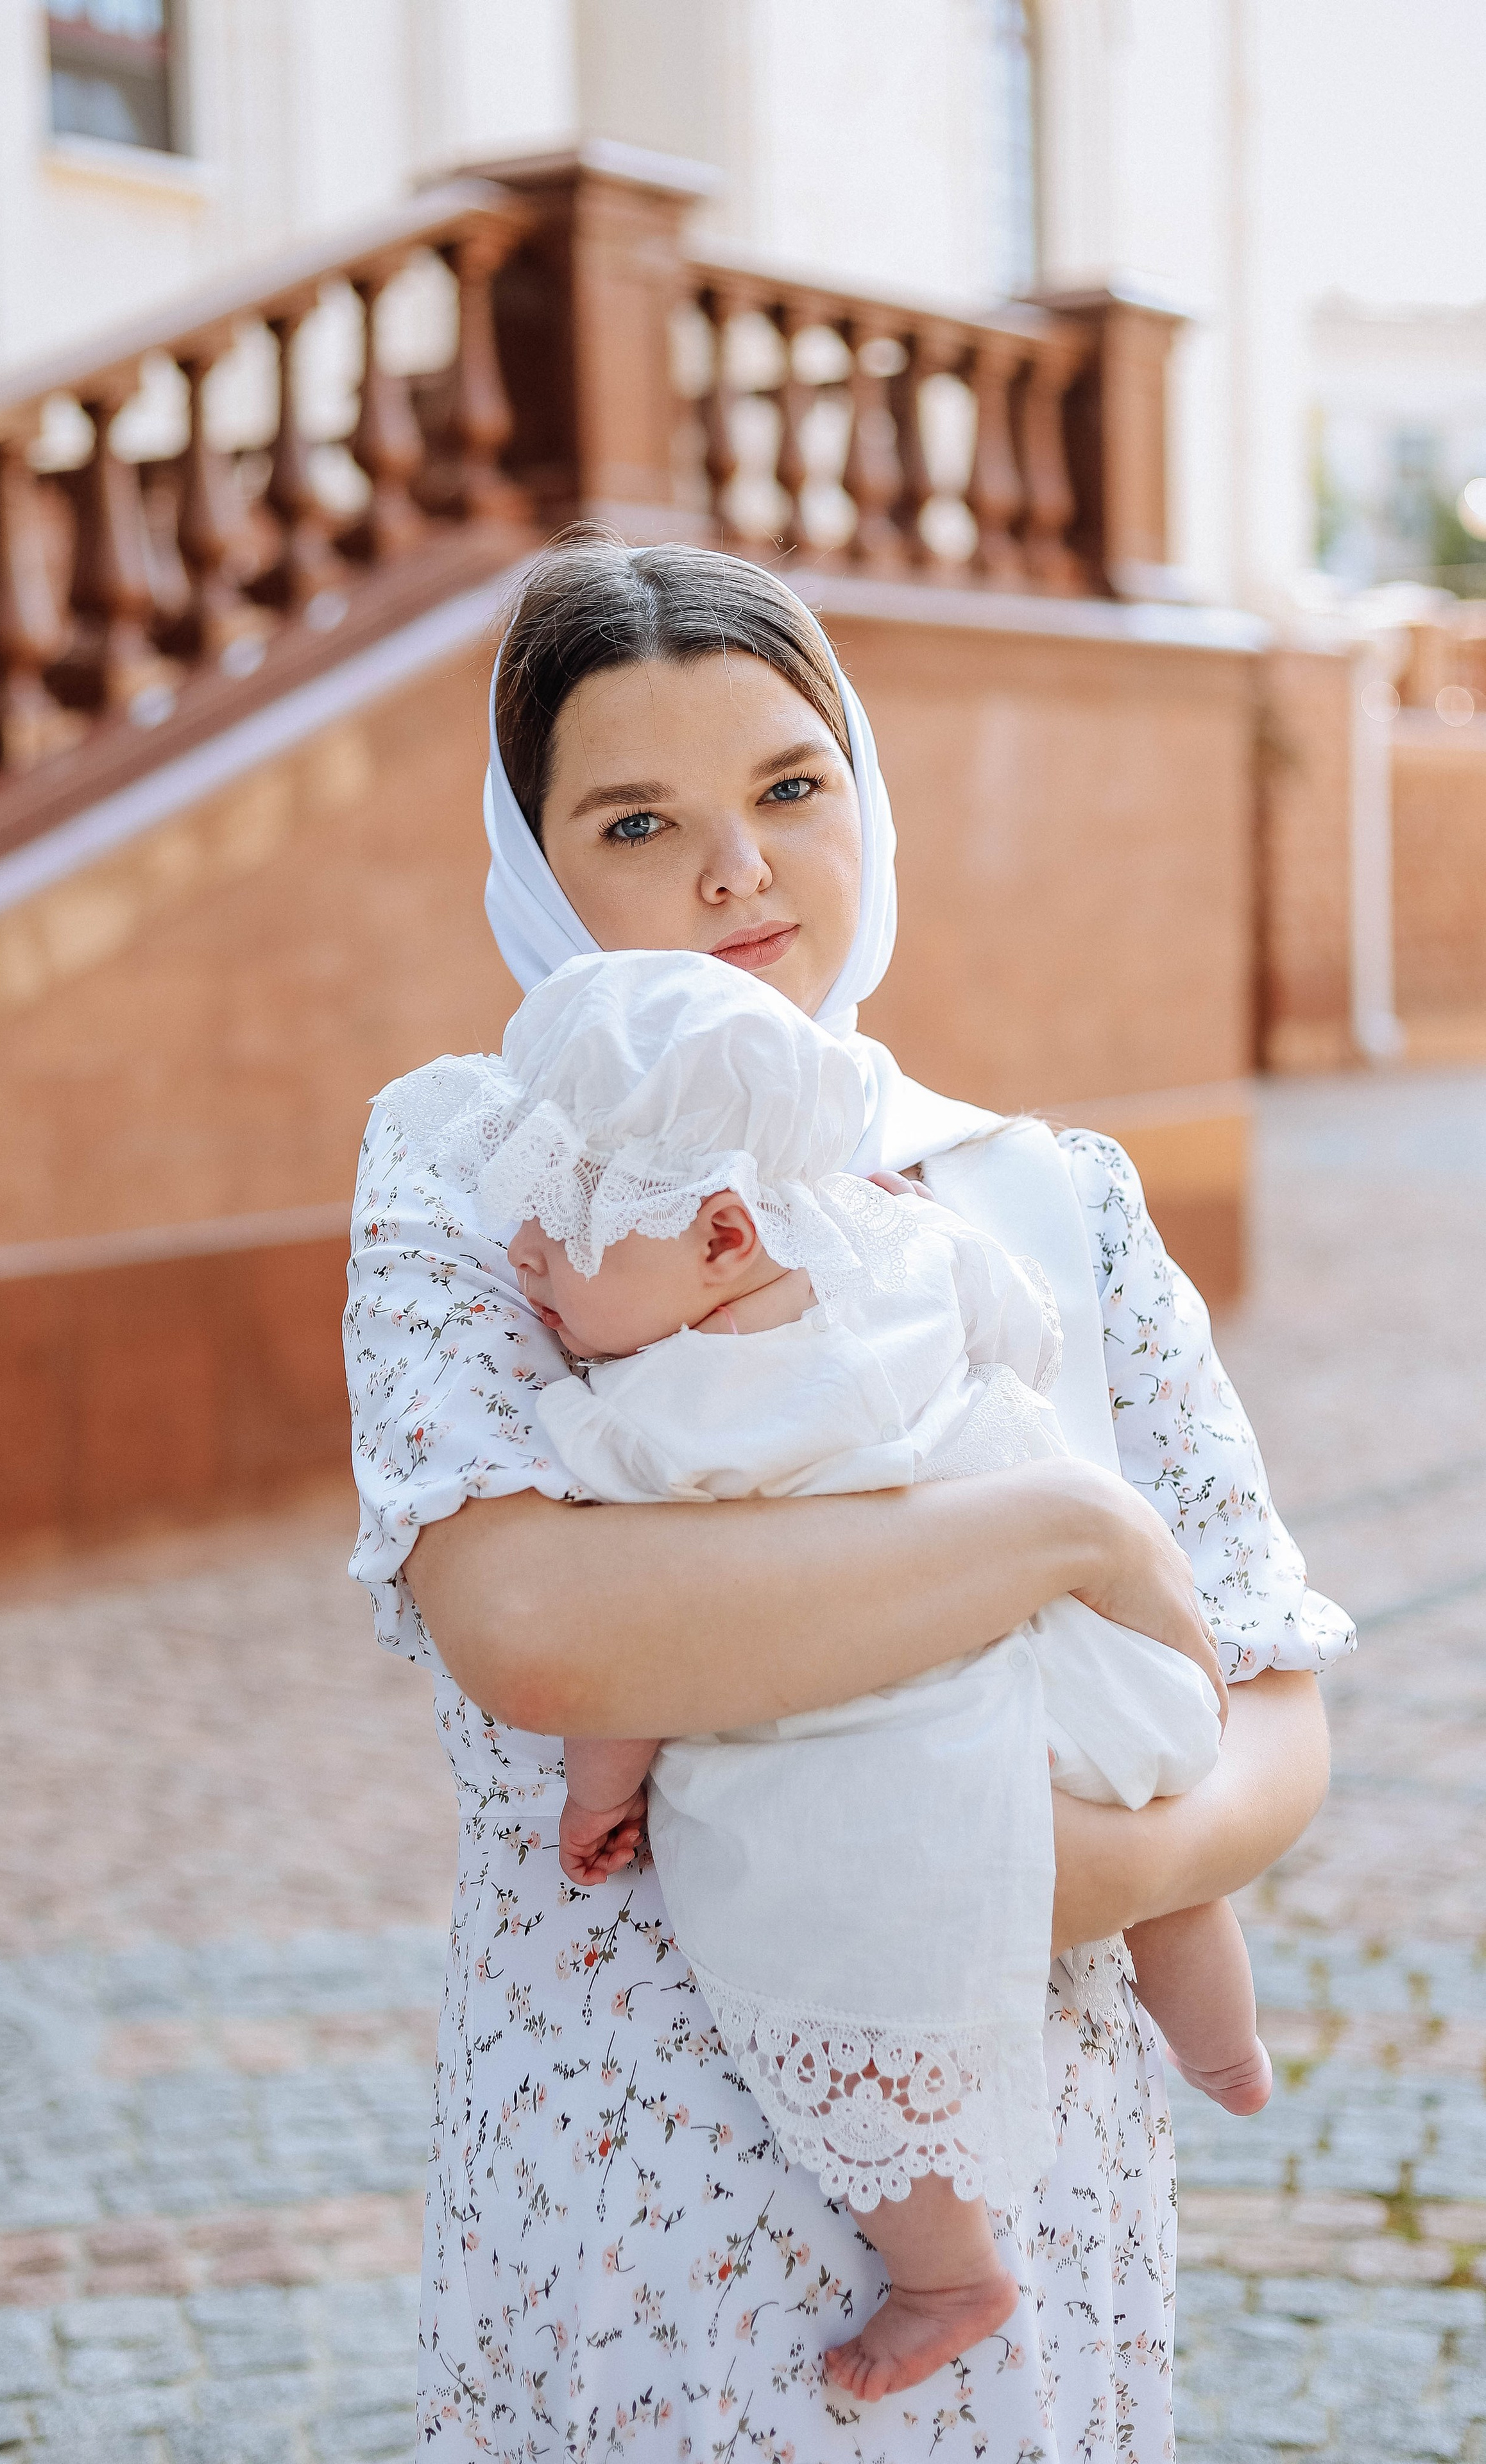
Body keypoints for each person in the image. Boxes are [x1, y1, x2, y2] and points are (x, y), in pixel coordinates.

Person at [344, 531, 1353, 2458]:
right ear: (533, 869)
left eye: (790, 789)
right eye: (637, 822)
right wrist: (1066, 1532)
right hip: (639, 2196)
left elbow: (1274, 1698)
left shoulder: (1046, 1191)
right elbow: (538, 1625)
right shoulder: (495, 1173)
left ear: (865, 803)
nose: (738, 870)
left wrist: (1069, 1866)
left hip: (1021, 2193)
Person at [381, 940, 1264, 2406]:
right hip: (1074, 1667)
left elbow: (631, 1659)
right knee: (1167, 1860)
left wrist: (600, 1793)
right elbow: (1024, 1337)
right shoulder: (899, 1244)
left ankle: (940, 2267)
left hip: (896, 1738)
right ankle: (1223, 2046)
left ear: (720, 1234)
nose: (523, 1257)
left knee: (805, 1976)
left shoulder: (654, 1423)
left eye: (560, 1226)